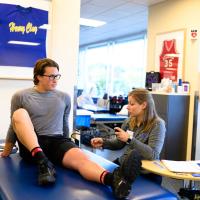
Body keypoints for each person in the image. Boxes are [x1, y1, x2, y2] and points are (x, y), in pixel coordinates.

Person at [0, 58, 141, 199]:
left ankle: (114, 180)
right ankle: (42, 160)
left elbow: (64, 126)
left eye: (57, 76)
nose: (55, 80)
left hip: (57, 141)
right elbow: (15, 124)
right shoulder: (21, 96)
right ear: (38, 77)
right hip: (32, 145)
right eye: (51, 76)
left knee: (82, 159)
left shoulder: (64, 97)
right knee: (19, 114)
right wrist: (6, 152)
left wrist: (70, 148)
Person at [91, 88, 166, 184]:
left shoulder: (158, 124)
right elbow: (119, 143)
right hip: (125, 164)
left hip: (145, 172)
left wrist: (130, 139)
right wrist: (103, 142)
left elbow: (153, 155)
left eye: (132, 104)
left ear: (143, 105)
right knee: (98, 178)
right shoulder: (129, 121)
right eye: (128, 103)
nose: (127, 107)